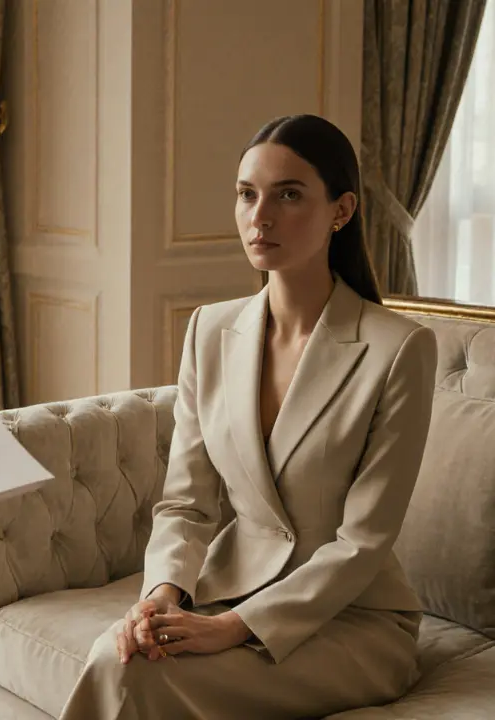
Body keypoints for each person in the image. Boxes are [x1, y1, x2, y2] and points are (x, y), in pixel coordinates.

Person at [57, 114, 439, 719]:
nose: (259, 216)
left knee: (136, 679)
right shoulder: (210, 329)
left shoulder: (399, 349)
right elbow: (186, 502)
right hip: (227, 589)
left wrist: (238, 626)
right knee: (121, 654)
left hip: (352, 620)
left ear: (341, 211)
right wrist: (162, 595)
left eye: (289, 195)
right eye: (246, 194)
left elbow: (364, 541)